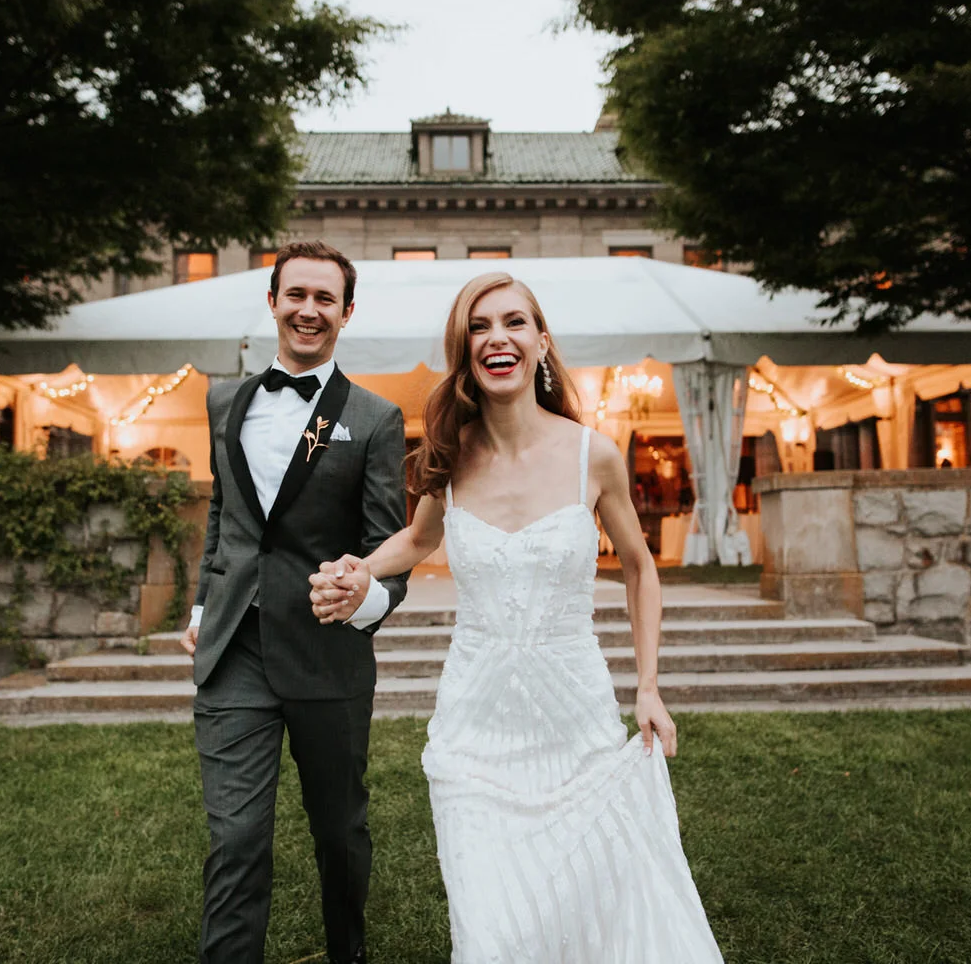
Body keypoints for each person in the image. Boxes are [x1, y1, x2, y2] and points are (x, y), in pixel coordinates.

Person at [309, 272, 725, 962]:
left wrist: (647, 686)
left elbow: (641, 566)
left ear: (541, 342)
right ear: (465, 350)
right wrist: (359, 570)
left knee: (590, 916)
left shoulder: (594, 455)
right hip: (475, 732)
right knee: (490, 933)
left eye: (513, 322)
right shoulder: (450, 453)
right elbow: (418, 539)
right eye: (478, 327)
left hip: (577, 727)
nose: (496, 337)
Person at [181, 240, 410, 964]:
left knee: (338, 830)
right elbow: (225, 514)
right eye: (296, 295)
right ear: (273, 301)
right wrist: (198, 607)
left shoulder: (375, 418)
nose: (308, 310)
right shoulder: (224, 400)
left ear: (346, 312)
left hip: (326, 649)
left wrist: (366, 597)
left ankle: (349, 951)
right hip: (235, 649)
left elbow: (390, 544)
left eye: (324, 299)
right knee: (237, 836)